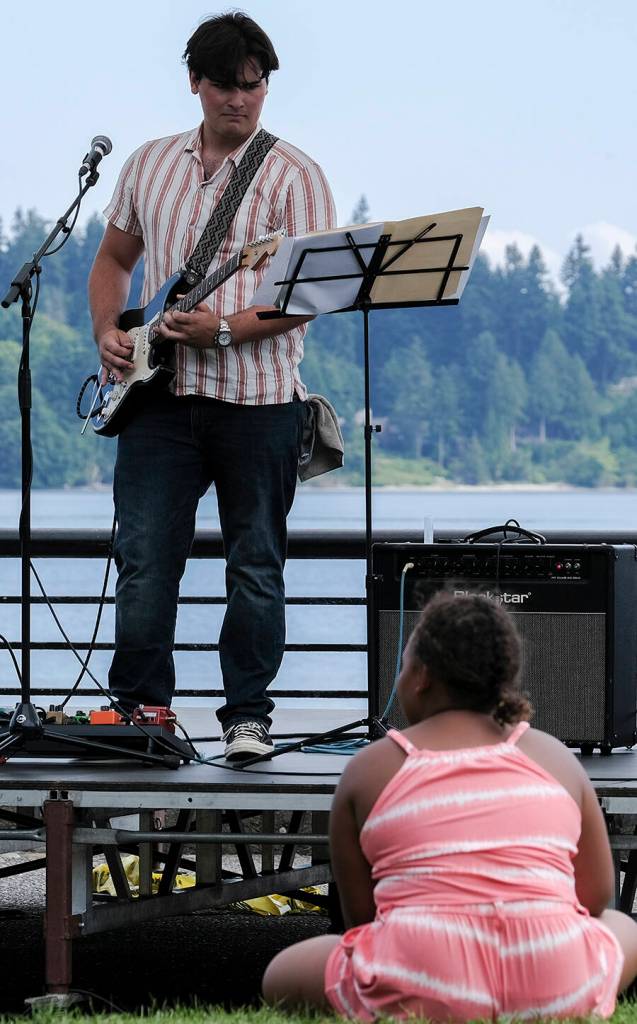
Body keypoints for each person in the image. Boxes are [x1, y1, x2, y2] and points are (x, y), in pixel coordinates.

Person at [88, 12, 336, 760]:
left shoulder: (294, 175)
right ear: (194, 83)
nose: (241, 99)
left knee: (254, 568)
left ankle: (246, 721)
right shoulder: (147, 164)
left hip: (259, 402)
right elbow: (113, 260)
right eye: (226, 85)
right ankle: (141, 717)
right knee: (142, 563)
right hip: (156, 399)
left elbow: (310, 295)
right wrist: (110, 330)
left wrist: (223, 331)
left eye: (254, 86)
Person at [263, 591, 637, 1019]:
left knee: (283, 972)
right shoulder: (554, 756)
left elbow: (362, 920)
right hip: (554, 980)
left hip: (421, 981)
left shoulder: (370, 768)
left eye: (403, 666)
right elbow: (594, 898)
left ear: (420, 676)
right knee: (623, 927)